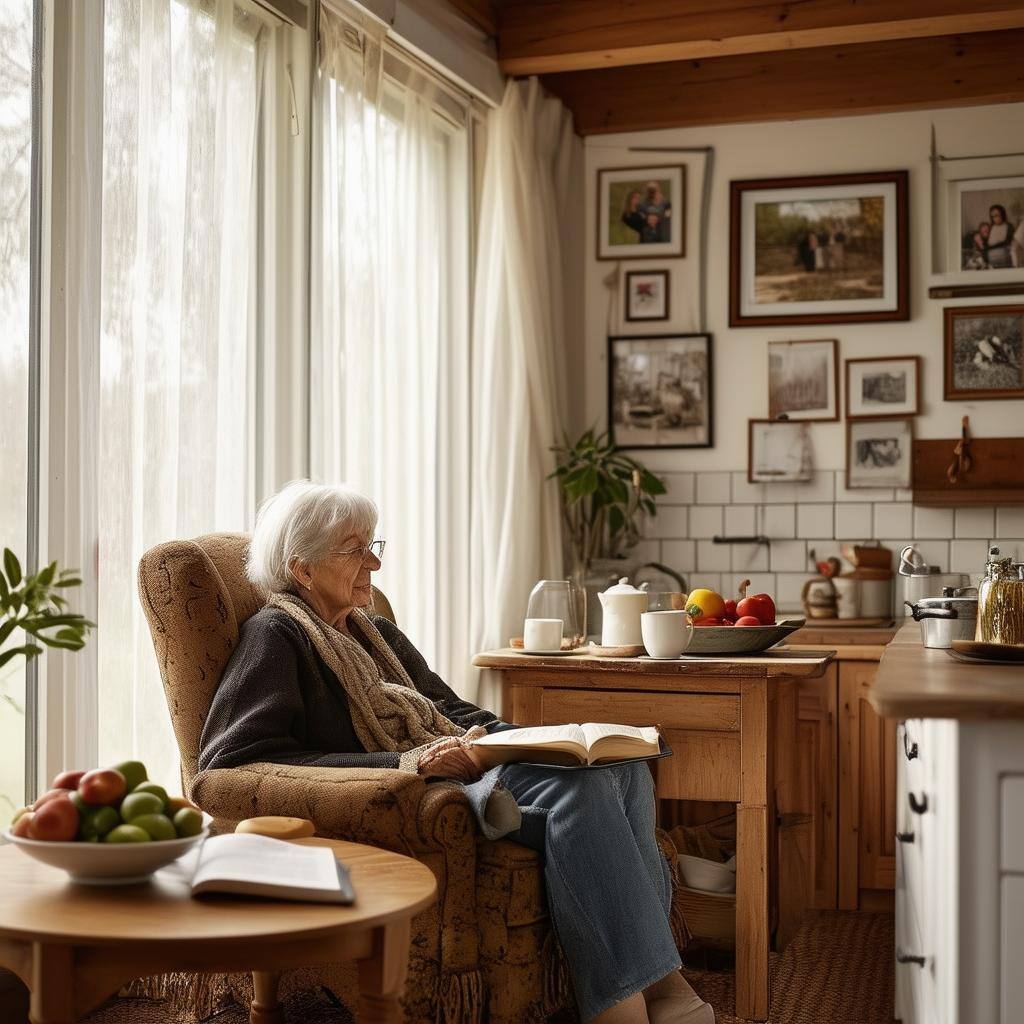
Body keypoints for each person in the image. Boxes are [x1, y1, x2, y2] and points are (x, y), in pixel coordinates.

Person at [199, 481, 715, 1024]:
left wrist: (523, 739)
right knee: (579, 796)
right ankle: (623, 1004)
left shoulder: (373, 633)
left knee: (623, 769)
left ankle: (662, 982)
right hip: (416, 791)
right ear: (302, 568)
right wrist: (402, 764)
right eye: (355, 549)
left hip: (463, 765)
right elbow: (232, 763)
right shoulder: (275, 636)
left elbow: (448, 707)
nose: (373, 563)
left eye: (374, 545)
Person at [984, 204, 1016, 269]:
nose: (994, 219)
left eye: (996, 215)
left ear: (1002, 215)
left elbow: (1007, 242)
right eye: (992, 216)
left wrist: (990, 247)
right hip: (991, 260)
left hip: (1004, 258)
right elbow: (987, 241)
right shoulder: (991, 227)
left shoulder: (1009, 226)